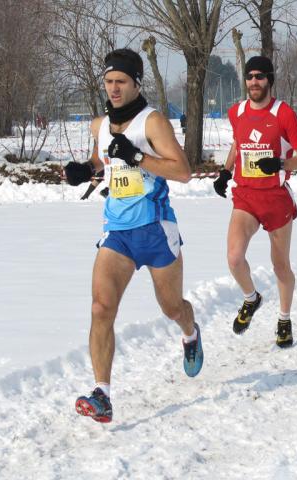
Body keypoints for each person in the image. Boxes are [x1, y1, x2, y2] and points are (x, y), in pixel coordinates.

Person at [63, 48, 201, 423]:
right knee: (100, 307)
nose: (114, 89)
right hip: (117, 233)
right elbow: (104, 162)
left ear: (137, 82)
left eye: (120, 81)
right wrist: (83, 170)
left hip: (156, 229)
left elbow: (183, 171)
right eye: (108, 82)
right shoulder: (100, 125)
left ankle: (190, 333)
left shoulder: (152, 122)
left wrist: (139, 157)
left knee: (172, 308)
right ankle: (102, 394)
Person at [212, 56, 297, 348]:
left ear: (269, 80)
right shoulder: (237, 111)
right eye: (249, 76)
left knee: (280, 265)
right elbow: (237, 143)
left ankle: (284, 319)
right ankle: (251, 298)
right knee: (234, 257)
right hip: (246, 196)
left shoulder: (284, 114)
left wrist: (280, 163)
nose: (254, 82)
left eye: (259, 77)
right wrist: (225, 171)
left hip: (276, 198)